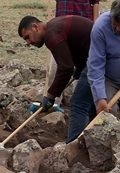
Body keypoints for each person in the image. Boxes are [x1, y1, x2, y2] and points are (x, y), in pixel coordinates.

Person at [19, 13, 94, 143]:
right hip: (98, 58)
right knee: (91, 102)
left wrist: (51, 95)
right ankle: (94, 139)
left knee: (77, 104)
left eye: (28, 37)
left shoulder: (51, 34)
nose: (28, 43)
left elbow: (65, 67)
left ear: (35, 27)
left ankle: (73, 146)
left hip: (99, 60)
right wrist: (80, 67)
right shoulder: (54, 26)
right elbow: (79, 46)